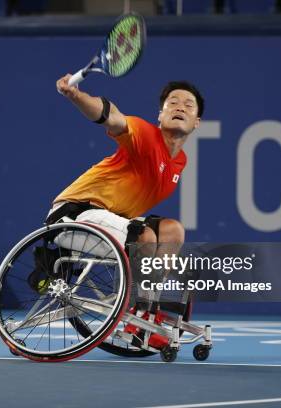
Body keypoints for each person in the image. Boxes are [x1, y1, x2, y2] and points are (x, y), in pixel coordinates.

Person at [48, 74, 204, 312]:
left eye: (188, 105)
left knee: (173, 231)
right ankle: (138, 306)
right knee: (144, 238)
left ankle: (148, 301)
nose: (180, 107)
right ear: (160, 115)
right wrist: (76, 95)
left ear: (196, 122)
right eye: (172, 102)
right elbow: (111, 117)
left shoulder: (180, 161)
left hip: (111, 220)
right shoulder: (144, 134)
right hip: (73, 215)